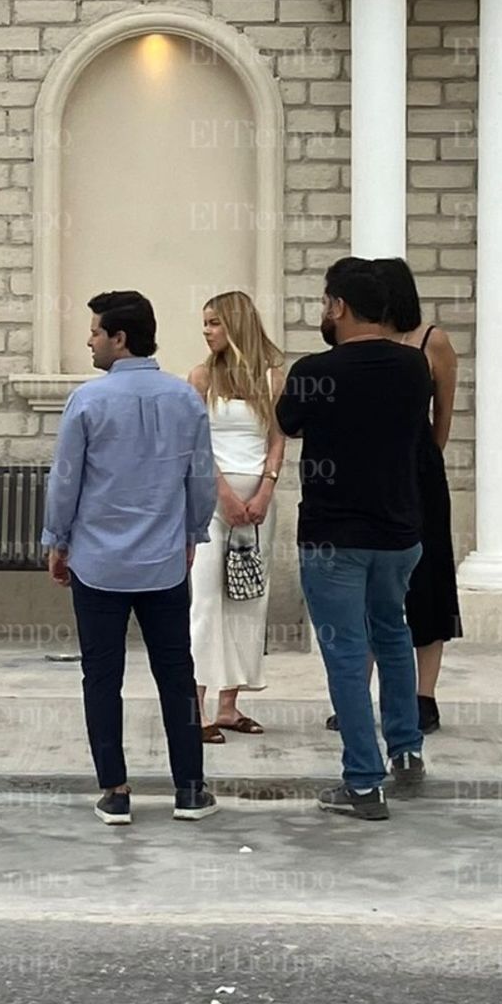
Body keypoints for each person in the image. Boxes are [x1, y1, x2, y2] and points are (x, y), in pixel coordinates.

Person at [43, 290, 219, 826]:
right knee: (175, 672)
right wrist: (191, 532)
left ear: (120, 338)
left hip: (98, 563)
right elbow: (202, 478)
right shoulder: (184, 399)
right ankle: (190, 789)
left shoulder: (87, 402)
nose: (89, 341)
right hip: (165, 562)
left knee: (101, 676)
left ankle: (115, 791)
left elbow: (66, 481)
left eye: (95, 332)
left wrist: (57, 540)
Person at [276, 258, 432, 821]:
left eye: (324, 302)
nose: (323, 311)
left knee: (345, 653)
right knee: (393, 634)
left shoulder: (314, 369)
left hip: (333, 534)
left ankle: (364, 783)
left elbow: (289, 423)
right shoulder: (414, 367)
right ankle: (407, 748)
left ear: (339, 306)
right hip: (398, 530)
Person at [323, 259, 462, 737]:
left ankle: (423, 696)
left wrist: (422, 457)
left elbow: (442, 412)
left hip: (416, 471)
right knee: (363, 589)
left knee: (426, 580)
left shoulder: (431, 341)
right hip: (366, 472)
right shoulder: (359, 345)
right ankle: (356, 695)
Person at [188, 292, 286, 742]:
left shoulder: (272, 378)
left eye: (214, 323)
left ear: (236, 324)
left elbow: (278, 439)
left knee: (247, 600)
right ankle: (195, 705)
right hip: (214, 501)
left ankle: (229, 705)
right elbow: (195, 445)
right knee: (206, 600)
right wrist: (223, 492)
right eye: (205, 323)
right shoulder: (201, 377)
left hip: (257, 506)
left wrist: (266, 489)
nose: (206, 331)